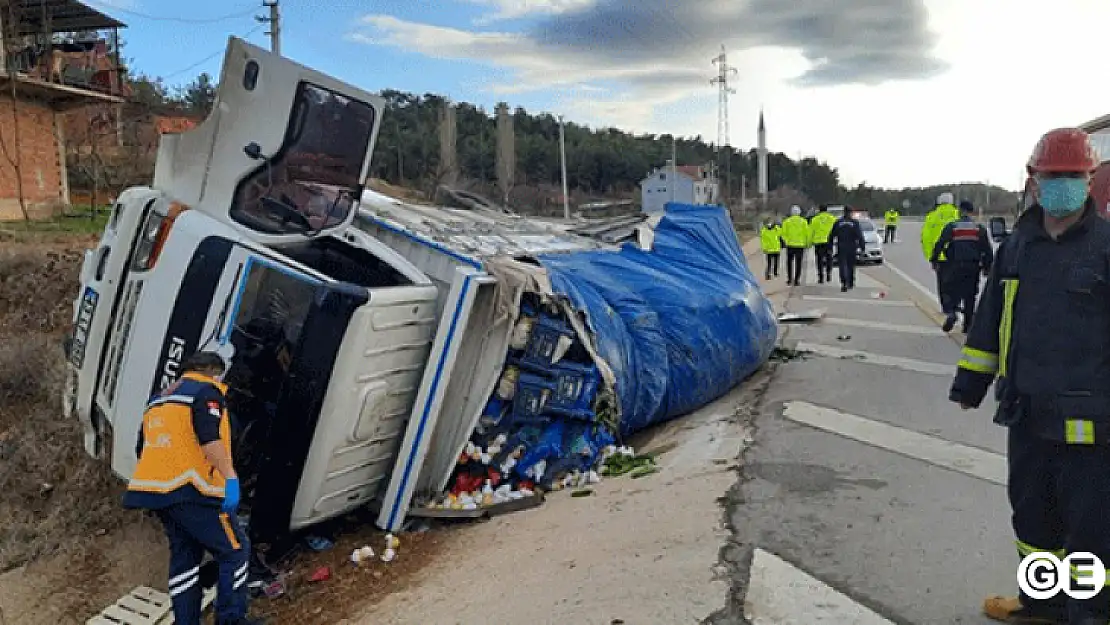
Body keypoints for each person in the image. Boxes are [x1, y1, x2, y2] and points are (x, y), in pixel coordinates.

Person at [949, 127, 1110, 625]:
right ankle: (1042, 603)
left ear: (1090, 179)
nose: (1063, 184)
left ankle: (1088, 612)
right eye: (1053, 176)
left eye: (1073, 176)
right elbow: (991, 316)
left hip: (1092, 419)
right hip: (1026, 410)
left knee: (1089, 528)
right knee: (1032, 515)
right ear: (1033, 180)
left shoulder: (1106, 246)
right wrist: (970, 383)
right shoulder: (1018, 245)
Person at [123, 351, 262, 625]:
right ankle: (231, 620)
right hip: (194, 489)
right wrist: (230, 477)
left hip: (156, 493)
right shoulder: (206, 391)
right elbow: (209, 438)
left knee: (185, 558)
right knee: (234, 550)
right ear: (211, 370)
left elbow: (143, 447)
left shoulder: (158, 400)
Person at [931, 200, 993, 333]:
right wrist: (987, 268)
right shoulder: (979, 228)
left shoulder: (952, 226)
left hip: (955, 265)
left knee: (950, 291)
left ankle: (952, 312)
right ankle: (967, 326)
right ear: (972, 212)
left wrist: (934, 260)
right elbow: (987, 250)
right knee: (970, 296)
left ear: (960, 211)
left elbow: (940, 244)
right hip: (973, 267)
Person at [922, 192, 961, 302]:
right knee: (956, 281)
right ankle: (955, 303)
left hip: (939, 256)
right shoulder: (958, 215)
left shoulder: (932, 216)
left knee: (942, 283)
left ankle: (946, 307)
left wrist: (930, 256)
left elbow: (926, 238)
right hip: (956, 256)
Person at [830, 208, 866, 291]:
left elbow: (832, 235)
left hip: (841, 246)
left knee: (842, 265)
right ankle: (850, 282)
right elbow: (859, 235)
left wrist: (830, 246)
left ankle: (844, 282)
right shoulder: (854, 223)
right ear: (850, 213)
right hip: (852, 246)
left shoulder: (838, 222)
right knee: (850, 265)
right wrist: (862, 247)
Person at [781, 205, 811, 286]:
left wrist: (786, 241)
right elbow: (807, 234)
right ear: (799, 212)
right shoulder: (803, 222)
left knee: (789, 262)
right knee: (798, 263)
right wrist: (807, 243)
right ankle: (797, 280)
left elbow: (783, 233)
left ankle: (790, 279)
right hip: (800, 245)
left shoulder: (786, 221)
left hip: (790, 245)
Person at [809, 205, 838, 284]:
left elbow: (811, 232)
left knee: (819, 260)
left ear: (819, 210)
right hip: (829, 242)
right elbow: (836, 230)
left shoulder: (814, 220)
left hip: (818, 242)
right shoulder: (832, 218)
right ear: (826, 210)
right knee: (829, 258)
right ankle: (828, 274)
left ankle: (820, 277)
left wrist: (809, 242)